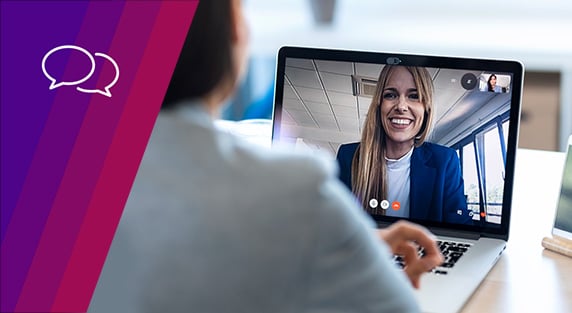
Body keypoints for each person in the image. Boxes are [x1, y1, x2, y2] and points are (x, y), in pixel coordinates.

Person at [88, 1, 443, 312]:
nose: (401, 106)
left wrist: (346, 239)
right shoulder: (299, 190)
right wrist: (333, 235)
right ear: (235, 31)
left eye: (414, 96)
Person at [336, 65, 473, 225]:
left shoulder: (445, 161)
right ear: (379, 104)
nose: (401, 106)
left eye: (414, 96)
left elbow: (460, 227)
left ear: (426, 108)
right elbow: (333, 224)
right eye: (390, 95)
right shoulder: (348, 156)